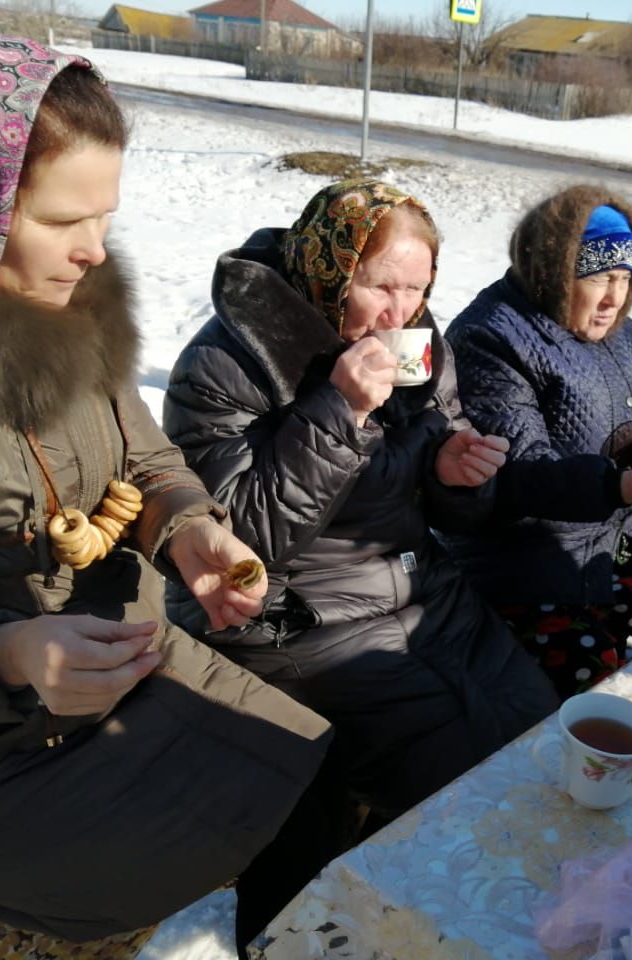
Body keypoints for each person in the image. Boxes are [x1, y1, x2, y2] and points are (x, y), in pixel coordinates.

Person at [0, 32, 334, 959]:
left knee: (319, 784)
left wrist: (191, 527)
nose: (91, 252)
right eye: (57, 220)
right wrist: (6, 652)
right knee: (215, 840)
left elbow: (142, 452)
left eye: (104, 218)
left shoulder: (66, 303)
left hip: (119, 649)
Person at [163, 179, 559, 820]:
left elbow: (446, 495)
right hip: (295, 617)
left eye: (418, 288)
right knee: (458, 783)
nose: (399, 313)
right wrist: (337, 411)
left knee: (541, 731)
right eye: (380, 286)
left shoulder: (421, 347)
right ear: (332, 268)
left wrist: (454, 476)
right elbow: (239, 541)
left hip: (420, 590)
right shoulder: (225, 364)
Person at [443, 186, 632, 700]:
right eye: (599, 278)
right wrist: (624, 485)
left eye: (624, 278)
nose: (614, 298)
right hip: (526, 562)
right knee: (599, 699)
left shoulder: (625, 336)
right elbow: (521, 473)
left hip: (620, 537)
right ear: (554, 271)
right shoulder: (492, 338)